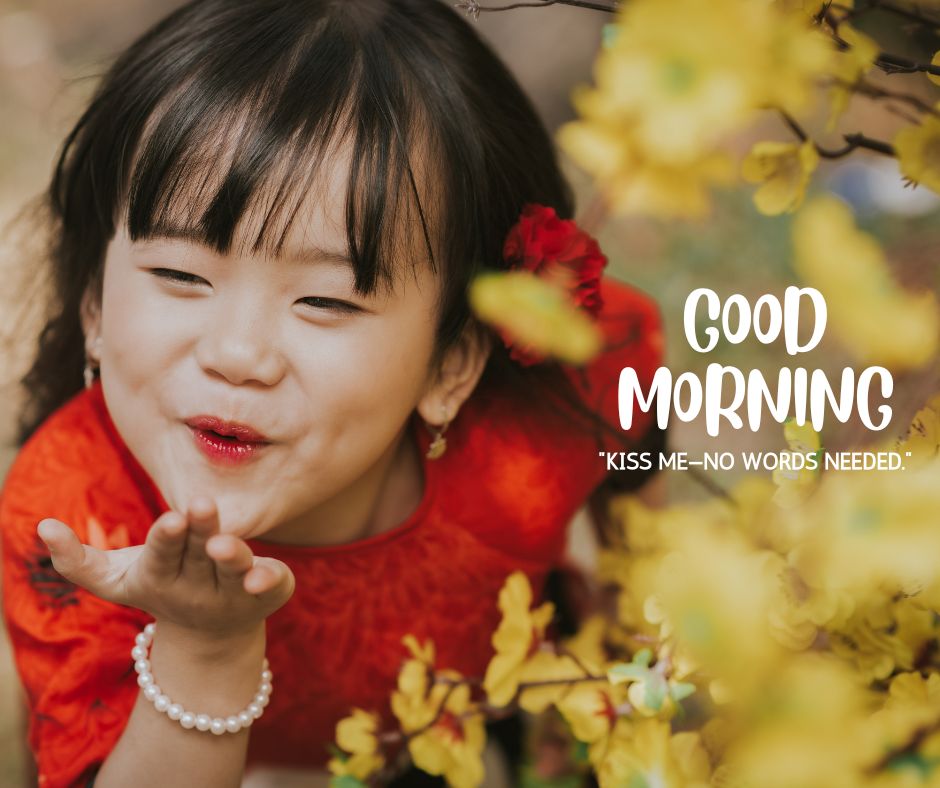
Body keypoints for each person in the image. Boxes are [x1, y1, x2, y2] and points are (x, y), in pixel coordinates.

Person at [0, 0, 664, 785]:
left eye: (325, 300)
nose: (237, 355)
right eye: (180, 274)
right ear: (94, 309)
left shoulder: (539, 419)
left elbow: (632, 399)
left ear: (451, 365)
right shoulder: (76, 530)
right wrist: (203, 647)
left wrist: (619, 625)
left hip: (458, 722)